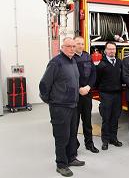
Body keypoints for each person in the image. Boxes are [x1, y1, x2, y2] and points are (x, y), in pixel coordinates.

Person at [39, 37, 84, 177]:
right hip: (60, 107)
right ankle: (61, 164)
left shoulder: (73, 61)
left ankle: (71, 158)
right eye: (69, 46)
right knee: (61, 136)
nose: (72, 48)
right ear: (62, 47)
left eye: (73, 46)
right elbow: (44, 84)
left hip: (73, 105)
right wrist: (52, 101)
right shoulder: (55, 63)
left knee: (71, 134)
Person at [73, 36, 99, 154]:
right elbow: (68, 77)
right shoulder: (70, 58)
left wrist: (89, 87)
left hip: (87, 94)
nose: (80, 46)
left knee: (87, 121)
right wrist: (78, 89)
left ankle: (89, 144)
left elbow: (93, 73)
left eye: (82, 44)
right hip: (74, 95)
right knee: (74, 122)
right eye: (78, 43)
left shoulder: (87, 56)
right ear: (74, 44)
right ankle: (74, 146)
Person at [96, 41, 123, 151]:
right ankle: (105, 141)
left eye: (113, 49)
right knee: (106, 118)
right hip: (106, 95)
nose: (112, 51)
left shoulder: (119, 63)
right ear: (105, 50)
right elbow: (97, 81)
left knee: (115, 118)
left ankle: (113, 138)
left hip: (117, 94)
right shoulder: (101, 65)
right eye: (109, 49)